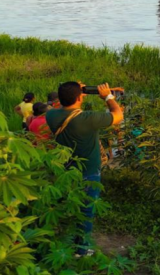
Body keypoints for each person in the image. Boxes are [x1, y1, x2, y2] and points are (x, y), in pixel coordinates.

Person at [46, 82, 123, 256]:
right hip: (88, 170)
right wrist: (108, 97)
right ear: (80, 97)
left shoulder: (50, 116)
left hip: (64, 170)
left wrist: (73, 92)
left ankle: (66, 239)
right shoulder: (87, 118)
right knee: (86, 210)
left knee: (70, 205)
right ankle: (81, 250)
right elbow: (118, 115)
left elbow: (61, 106)